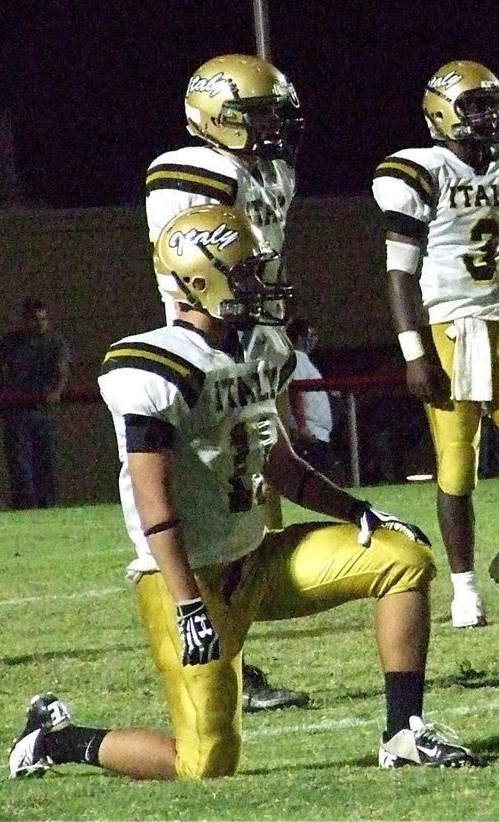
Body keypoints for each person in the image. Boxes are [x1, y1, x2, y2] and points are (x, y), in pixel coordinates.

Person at [8, 205, 477, 780]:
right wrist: (186, 605)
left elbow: (282, 465)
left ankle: (403, 734)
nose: (259, 284)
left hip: (257, 560)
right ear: (200, 281)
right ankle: (54, 742)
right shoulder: (155, 367)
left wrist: (358, 511)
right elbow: (154, 505)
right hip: (190, 583)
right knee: (205, 762)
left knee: (402, 561)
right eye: (245, 272)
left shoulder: (259, 347)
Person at [373, 60, 499, 628]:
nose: (490, 117)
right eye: (474, 106)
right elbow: (400, 273)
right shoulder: (418, 171)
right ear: (441, 112)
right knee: (457, 462)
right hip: (445, 327)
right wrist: (413, 353)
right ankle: (463, 589)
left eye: (492, 105)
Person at [145, 53, 308, 712]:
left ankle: (235, 659)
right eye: (258, 114)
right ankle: (220, 656)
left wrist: (274, 338)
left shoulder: (268, 174)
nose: (272, 126)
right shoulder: (190, 170)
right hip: (214, 355)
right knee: (222, 514)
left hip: (252, 346)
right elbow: (188, 268)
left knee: (255, 509)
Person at [0, 297, 71, 509]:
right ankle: (25, 507)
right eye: (35, 320)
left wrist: (55, 392)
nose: (40, 324)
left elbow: (62, 371)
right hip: (17, 412)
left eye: (43, 319)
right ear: (25, 321)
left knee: (46, 463)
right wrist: (3, 395)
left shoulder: (55, 341)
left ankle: (47, 507)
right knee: (20, 465)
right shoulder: (12, 342)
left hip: (44, 412)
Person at [285, 317, 335, 480]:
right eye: (310, 335)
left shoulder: (304, 360)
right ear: (299, 337)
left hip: (318, 433)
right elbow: (295, 391)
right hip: (309, 434)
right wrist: (302, 427)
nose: (315, 340)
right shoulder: (297, 358)